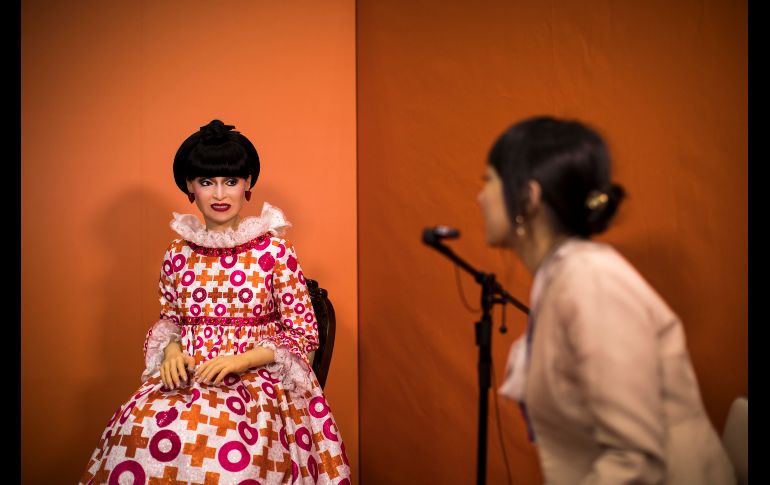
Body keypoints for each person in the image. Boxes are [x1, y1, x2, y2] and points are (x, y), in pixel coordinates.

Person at [81, 120, 351, 484]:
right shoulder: (178, 253)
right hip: (189, 374)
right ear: (190, 188)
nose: (220, 193)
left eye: (231, 181)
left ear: (247, 185)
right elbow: (171, 319)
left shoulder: (274, 250)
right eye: (207, 182)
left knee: (225, 455)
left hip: (258, 381)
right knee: (136, 429)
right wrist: (172, 352)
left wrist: (240, 360)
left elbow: (302, 333)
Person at [477, 116, 736, 484]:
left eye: (488, 180)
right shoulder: (559, 275)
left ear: (528, 197)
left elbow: (635, 460)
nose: (480, 197)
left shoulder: (590, 280)